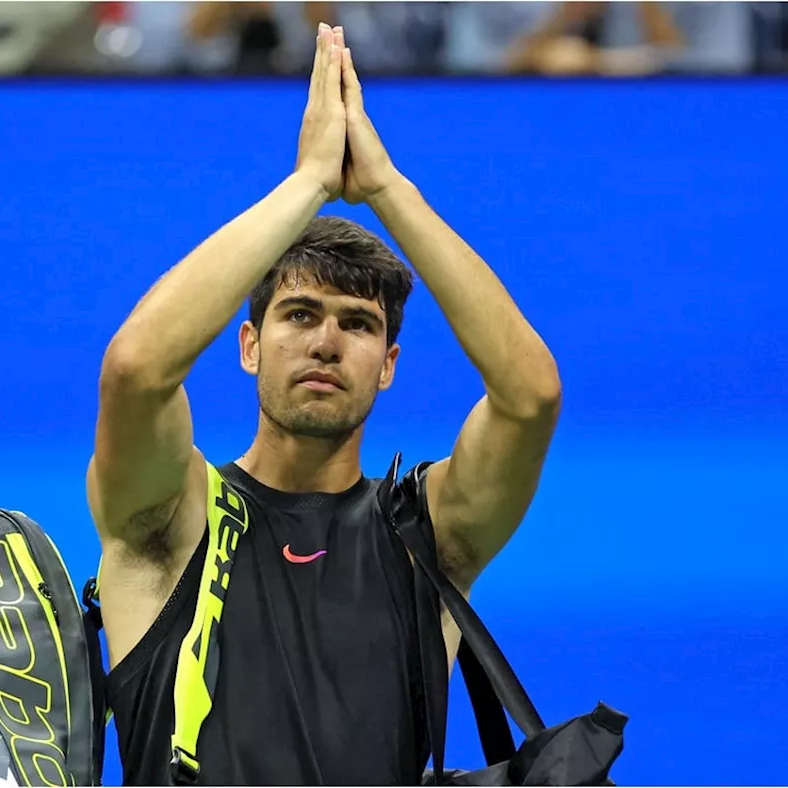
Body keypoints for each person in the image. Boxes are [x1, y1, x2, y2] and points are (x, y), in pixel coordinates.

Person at [88, 22, 562, 786]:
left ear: (388, 367)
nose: (327, 341)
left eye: (359, 324)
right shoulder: (170, 523)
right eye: (300, 315)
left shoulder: (428, 536)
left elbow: (530, 395)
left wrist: (388, 191)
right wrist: (307, 181)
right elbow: (137, 369)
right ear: (248, 346)